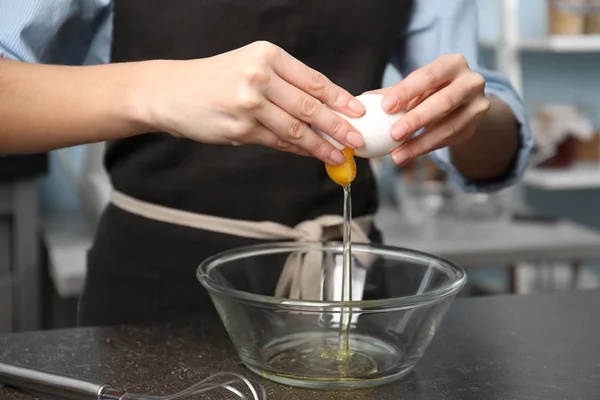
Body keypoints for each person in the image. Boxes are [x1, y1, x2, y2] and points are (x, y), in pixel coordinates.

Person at [0, 0, 533, 326]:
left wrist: (471, 118)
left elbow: (490, 156)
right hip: (155, 290)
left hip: (348, 284)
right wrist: (153, 90)